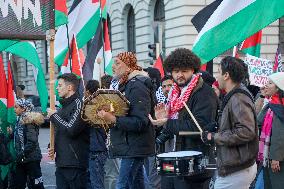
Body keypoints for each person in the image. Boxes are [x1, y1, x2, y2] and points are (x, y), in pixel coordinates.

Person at [149, 48, 218, 189]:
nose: (179, 75)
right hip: (171, 159)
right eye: (176, 71)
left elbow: (200, 126)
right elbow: (173, 124)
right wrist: (162, 122)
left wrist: (167, 123)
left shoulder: (204, 93)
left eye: (184, 71)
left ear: (193, 70)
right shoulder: (174, 93)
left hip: (194, 163)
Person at [97, 52, 155, 189]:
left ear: (128, 66)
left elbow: (141, 121)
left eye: (117, 63)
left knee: (122, 185)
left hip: (134, 146)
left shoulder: (137, 86)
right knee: (137, 184)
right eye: (113, 63)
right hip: (130, 145)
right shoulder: (125, 84)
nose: (113, 67)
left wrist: (113, 119)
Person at [202, 56, 258, 189]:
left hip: (237, 169)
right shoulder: (235, 94)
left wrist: (214, 137)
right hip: (237, 167)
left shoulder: (238, 98)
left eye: (218, 71)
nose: (216, 76)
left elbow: (245, 131)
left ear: (226, 75)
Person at [48, 73, 90, 189]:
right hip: (61, 162)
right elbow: (61, 131)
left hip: (75, 163)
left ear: (69, 87)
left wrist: (54, 116)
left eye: (60, 85)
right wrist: (53, 146)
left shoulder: (79, 105)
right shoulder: (63, 107)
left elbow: (71, 130)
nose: (57, 88)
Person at [257, 72, 284, 189]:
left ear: (278, 87)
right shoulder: (272, 104)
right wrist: (263, 96)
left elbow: (279, 134)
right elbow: (258, 121)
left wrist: (276, 158)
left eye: (270, 83)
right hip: (268, 157)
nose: (265, 85)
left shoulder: (279, 106)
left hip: (276, 159)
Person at [9, 98, 44, 189]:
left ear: (23, 108)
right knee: (18, 184)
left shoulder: (29, 121)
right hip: (22, 159)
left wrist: (22, 154)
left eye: (16, 107)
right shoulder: (20, 119)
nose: (14, 109)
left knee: (36, 185)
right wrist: (11, 133)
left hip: (31, 159)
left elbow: (32, 142)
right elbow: (19, 136)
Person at [84, 80, 108, 189]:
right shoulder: (104, 103)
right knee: (95, 181)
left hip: (96, 149)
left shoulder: (91, 106)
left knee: (96, 182)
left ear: (88, 91)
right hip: (98, 147)